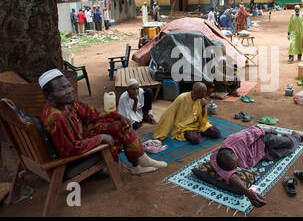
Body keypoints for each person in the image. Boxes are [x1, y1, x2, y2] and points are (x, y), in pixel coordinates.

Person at [39, 69, 167, 175]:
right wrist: (100, 138)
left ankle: (140, 161)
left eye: (68, 85)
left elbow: (93, 115)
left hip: (82, 136)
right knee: (117, 132)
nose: (69, 90)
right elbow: (70, 150)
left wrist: (118, 116)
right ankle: (139, 161)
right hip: (77, 155)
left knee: (120, 125)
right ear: (49, 95)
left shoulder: (66, 104)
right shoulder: (56, 118)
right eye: (62, 89)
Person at [210, 125, 303, 207]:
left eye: (236, 163)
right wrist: (248, 193)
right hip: (261, 155)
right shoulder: (217, 161)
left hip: (263, 140)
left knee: (289, 143)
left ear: (234, 154)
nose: (238, 166)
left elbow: (256, 130)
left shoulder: (238, 139)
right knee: (286, 151)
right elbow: (231, 176)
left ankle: (296, 135)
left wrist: (270, 130)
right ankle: (295, 138)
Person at [153, 82, 221, 145]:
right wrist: (160, 134)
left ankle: (199, 132)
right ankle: (198, 133)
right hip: (185, 127)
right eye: (204, 93)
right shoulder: (182, 98)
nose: (205, 94)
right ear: (198, 93)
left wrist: (203, 107)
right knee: (195, 140)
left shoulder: (201, 99)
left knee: (217, 133)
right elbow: (168, 115)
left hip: (198, 124)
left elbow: (203, 120)